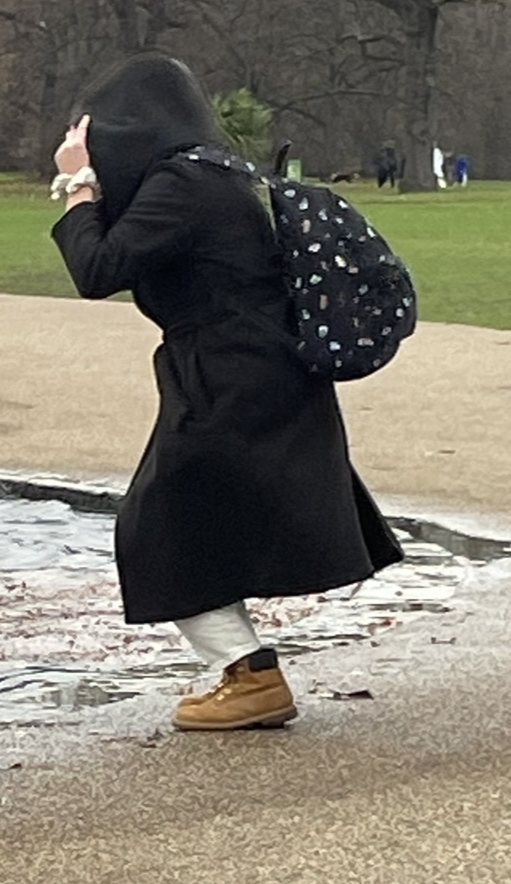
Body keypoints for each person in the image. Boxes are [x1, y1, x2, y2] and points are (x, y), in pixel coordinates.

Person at [50, 54, 403, 731]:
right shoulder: (215, 174)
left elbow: (96, 269)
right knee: (194, 523)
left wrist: (77, 184)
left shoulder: (183, 184)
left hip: (230, 376)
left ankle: (251, 676)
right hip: (250, 370)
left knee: (155, 527)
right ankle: (246, 671)